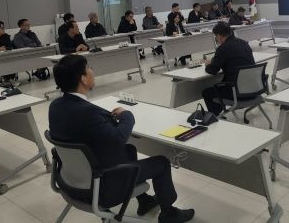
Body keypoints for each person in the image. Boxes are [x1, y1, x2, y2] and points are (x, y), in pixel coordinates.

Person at [48, 54, 194, 222]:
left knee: (129, 150)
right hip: (99, 188)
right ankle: (170, 214)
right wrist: (127, 116)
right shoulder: (88, 113)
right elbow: (118, 139)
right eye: (88, 68)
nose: (92, 70)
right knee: (161, 162)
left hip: (70, 182)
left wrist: (105, 120)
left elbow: (89, 131)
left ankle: (144, 201)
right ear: (83, 79)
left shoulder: (55, 106)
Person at [201, 22, 255, 115]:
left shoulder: (222, 48)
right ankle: (220, 114)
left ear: (219, 36)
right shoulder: (244, 43)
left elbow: (212, 70)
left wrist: (208, 64)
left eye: (215, 36)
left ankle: (215, 116)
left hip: (238, 92)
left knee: (206, 92)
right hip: (254, 88)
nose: (216, 39)